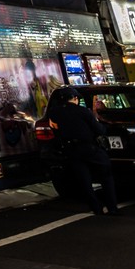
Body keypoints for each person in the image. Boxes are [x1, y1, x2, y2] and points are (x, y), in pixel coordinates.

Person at [46, 86, 120, 216]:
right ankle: (112, 207)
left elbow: (55, 130)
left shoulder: (54, 113)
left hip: (71, 149)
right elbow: (99, 130)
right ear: (75, 99)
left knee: (84, 180)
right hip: (90, 148)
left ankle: (96, 207)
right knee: (106, 175)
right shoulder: (83, 112)